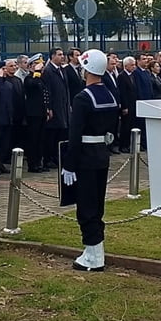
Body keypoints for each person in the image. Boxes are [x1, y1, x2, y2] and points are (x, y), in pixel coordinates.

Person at [62, 49, 117, 272]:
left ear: (87, 69)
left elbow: (75, 135)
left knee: (86, 206)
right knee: (97, 204)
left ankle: (93, 253)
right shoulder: (110, 94)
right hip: (101, 155)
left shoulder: (83, 97)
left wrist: (69, 163)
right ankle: (95, 250)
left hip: (85, 156)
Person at [22, 53, 50, 173]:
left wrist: (47, 109)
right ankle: (32, 164)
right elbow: (32, 85)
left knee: (41, 139)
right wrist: (36, 73)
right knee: (33, 140)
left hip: (42, 113)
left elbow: (45, 93)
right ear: (31, 66)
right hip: (33, 114)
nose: (40, 66)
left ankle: (39, 162)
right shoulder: (29, 78)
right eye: (37, 64)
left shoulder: (40, 78)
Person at [42, 48, 69, 168]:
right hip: (54, 107)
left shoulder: (62, 70)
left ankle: (57, 157)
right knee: (51, 135)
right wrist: (49, 108)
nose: (62, 57)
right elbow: (47, 90)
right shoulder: (48, 70)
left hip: (63, 106)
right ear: (52, 56)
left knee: (60, 134)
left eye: (62, 54)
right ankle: (49, 159)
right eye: (59, 54)